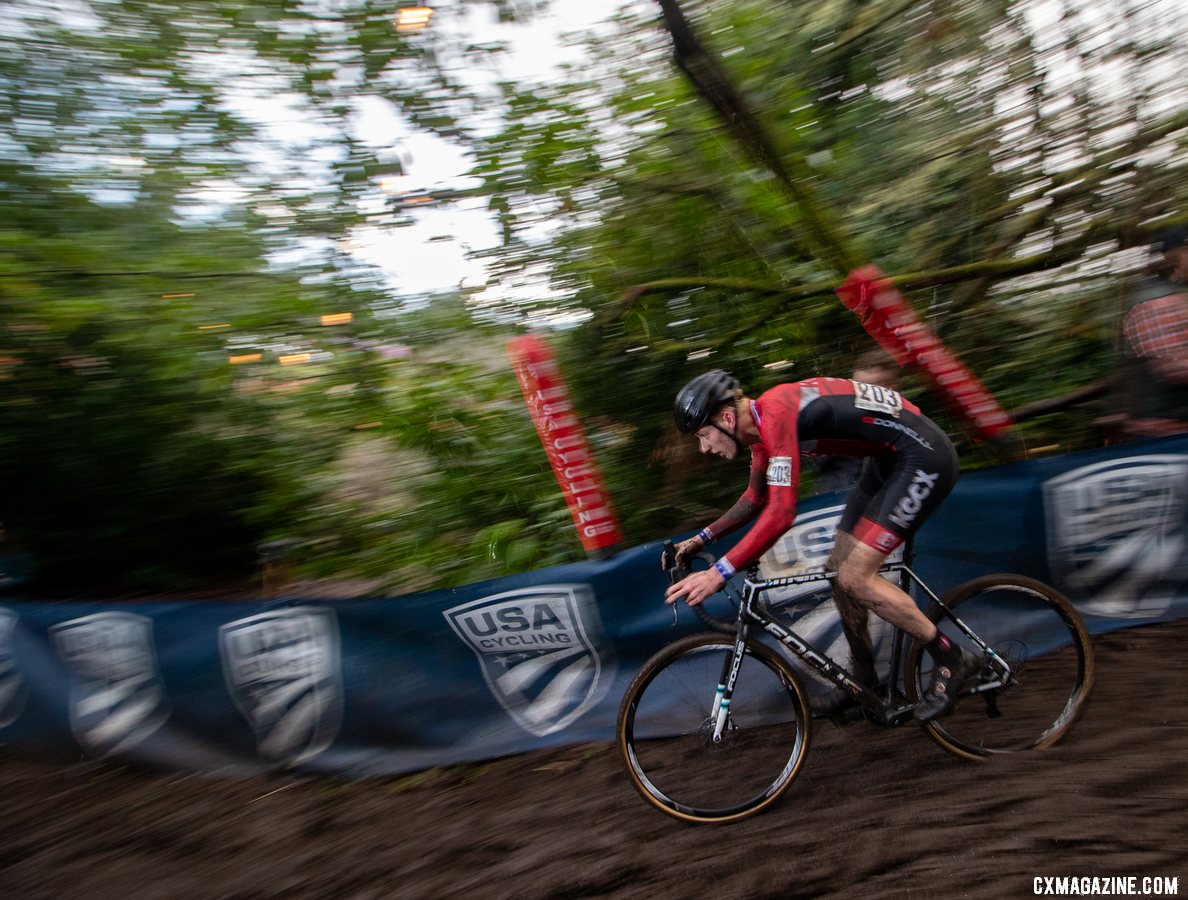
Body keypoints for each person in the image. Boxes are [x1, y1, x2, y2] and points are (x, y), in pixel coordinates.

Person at [665, 370, 977, 722]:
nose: (704, 447)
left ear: (725, 419)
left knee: (856, 578)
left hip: (920, 455)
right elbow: (755, 498)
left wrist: (720, 572)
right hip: (887, 461)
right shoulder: (761, 429)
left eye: (703, 435)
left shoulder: (777, 412)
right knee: (837, 573)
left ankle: (952, 657)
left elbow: (781, 513)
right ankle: (865, 685)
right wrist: (700, 539)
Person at [1114, 225, 1188, 438]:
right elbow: (1173, 367)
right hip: (1165, 431)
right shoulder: (1154, 301)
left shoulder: (1173, 294)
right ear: (1175, 256)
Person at [813, 348, 902, 493]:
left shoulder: (911, 432)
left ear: (893, 388)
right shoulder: (835, 424)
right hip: (836, 501)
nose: (860, 396)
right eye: (858, 388)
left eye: (874, 388)